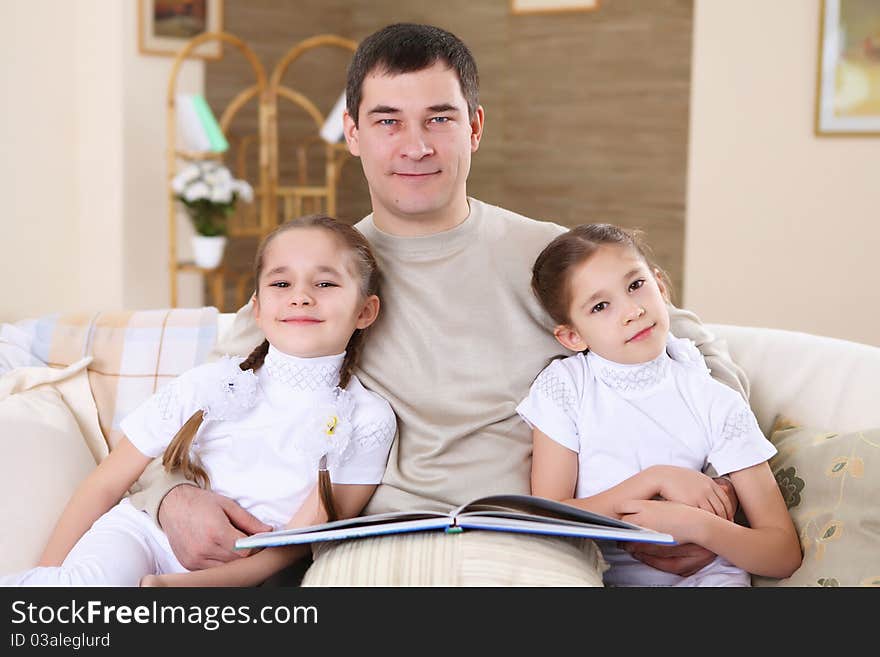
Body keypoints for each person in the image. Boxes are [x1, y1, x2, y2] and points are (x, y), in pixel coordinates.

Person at [132, 23, 751, 586]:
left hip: (532, 539)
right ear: (352, 133)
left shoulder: (550, 256)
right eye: (387, 121)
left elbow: (693, 349)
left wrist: (720, 498)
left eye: (438, 118)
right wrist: (171, 497)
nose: (415, 145)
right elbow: (195, 404)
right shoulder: (321, 280)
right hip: (365, 546)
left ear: (474, 127)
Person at [1, 215, 395, 586]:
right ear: (257, 309)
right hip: (139, 534)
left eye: (325, 284)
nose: (301, 297)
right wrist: (45, 576)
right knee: (86, 590)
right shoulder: (209, 383)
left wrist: (178, 587)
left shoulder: (366, 418)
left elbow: (291, 547)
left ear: (365, 310)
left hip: (227, 578)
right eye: (281, 284)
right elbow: (104, 484)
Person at [519, 223, 802, 586]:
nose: (632, 311)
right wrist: (657, 479)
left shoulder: (714, 400)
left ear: (661, 286)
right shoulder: (565, 388)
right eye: (601, 306)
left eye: (636, 286)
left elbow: (782, 553)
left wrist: (697, 526)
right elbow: (550, 517)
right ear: (572, 336)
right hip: (597, 576)